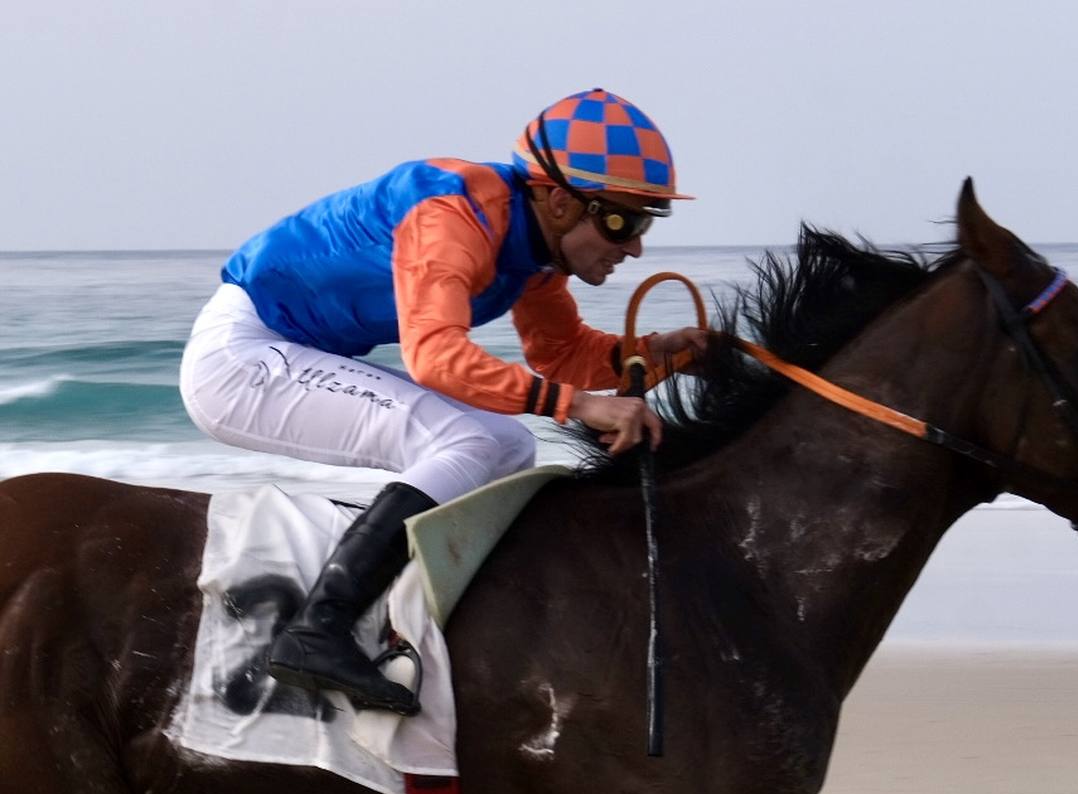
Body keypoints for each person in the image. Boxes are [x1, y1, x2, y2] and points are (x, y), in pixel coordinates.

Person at [179, 88, 704, 716]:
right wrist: (582, 407)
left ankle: (411, 617)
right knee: (471, 439)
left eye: (646, 222)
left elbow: (562, 356)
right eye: (622, 221)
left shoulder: (534, 252)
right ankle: (318, 630)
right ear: (561, 201)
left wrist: (658, 353)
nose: (635, 246)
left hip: (291, 352)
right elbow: (435, 358)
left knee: (509, 444)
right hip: (241, 359)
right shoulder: (454, 216)